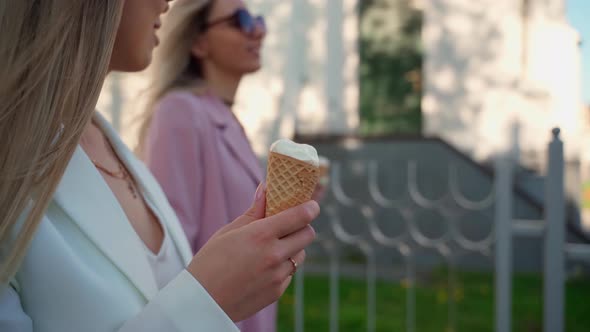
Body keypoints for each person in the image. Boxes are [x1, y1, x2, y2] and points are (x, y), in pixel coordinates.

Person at [0, 1, 318, 331]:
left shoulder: (115, 149)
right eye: (240, 20)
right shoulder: (179, 112)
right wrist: (208, 300)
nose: (166, 1)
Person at [136, 1, 273, 329]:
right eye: (238, 20)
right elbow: (172, 247)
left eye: (255, 18)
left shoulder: (227, 119)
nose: (256, 29)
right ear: (199, 43)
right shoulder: (180, 112)